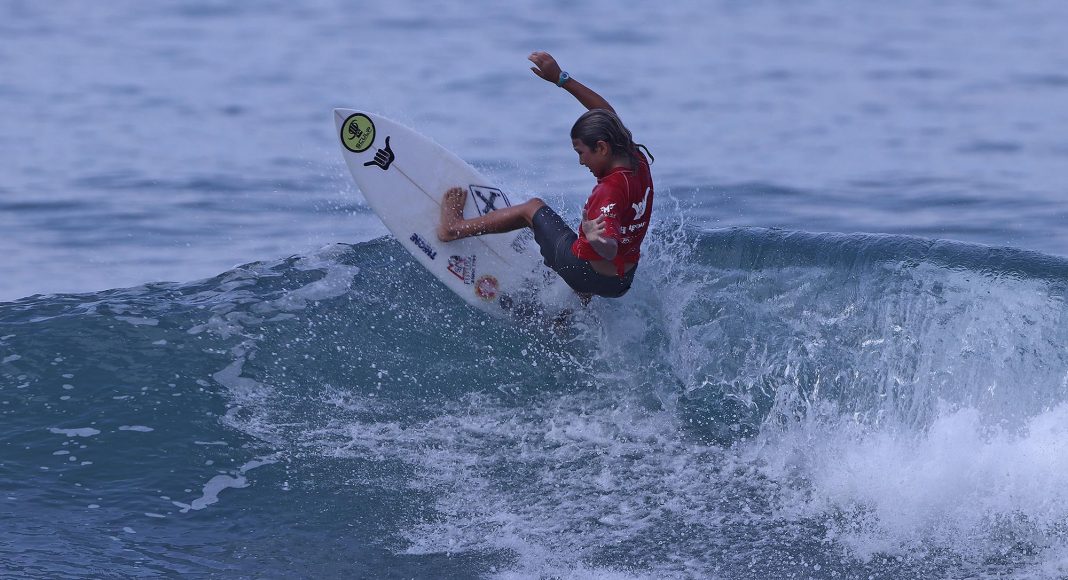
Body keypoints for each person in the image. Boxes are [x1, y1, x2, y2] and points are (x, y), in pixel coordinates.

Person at [438, 51, 654, 300]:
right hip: (623, 282)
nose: (581, 161)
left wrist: (598, 241)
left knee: (531, 208)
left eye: (581, 152)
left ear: (602, 147)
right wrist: (561, 79)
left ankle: (453, 229)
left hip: (589, 272)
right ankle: (574, 304)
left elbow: (609, 246)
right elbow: (607, 114)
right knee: (579, 237)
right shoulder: (635, 158)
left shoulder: (609, 191)